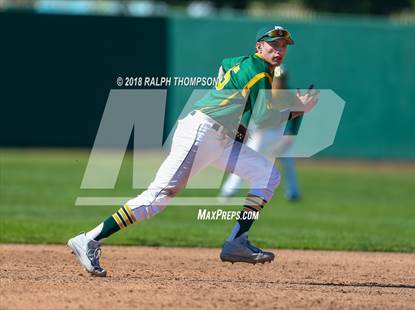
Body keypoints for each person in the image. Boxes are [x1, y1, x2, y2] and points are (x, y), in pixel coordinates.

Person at [67, 25, 318, 277]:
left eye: (284, 46)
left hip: (220, 138)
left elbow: (224, 65)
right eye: (273, 44)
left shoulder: (241, 63)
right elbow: (264, 118)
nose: (279, 50)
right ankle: (89, 239)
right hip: (202, 132)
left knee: (268, 176)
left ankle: (237, 242)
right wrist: (298, 108)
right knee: (157, 199)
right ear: (259, 46)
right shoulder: (258, 71)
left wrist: (235, 117)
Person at [219, 65, 302, 202]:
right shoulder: (263, 91)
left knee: (288, 161)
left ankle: (293, 193)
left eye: (282, 79)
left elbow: (298, 112)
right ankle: (229, 191)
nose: (279, 82)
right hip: (260, 131)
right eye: (277, 79)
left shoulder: (289, 95)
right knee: (246, 160)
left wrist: (291, 135)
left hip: (278, 132)